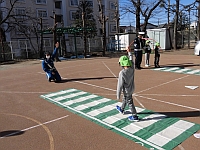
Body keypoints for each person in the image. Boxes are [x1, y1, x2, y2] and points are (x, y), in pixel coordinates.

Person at [116, 47, 139, 121]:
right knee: (125, 98)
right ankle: (122, 109)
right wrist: (129, 52)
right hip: (132, 88)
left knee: (130, 102)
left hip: (127, 90)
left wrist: (118, 94)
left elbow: (119, 85)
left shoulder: (122, 73)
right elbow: (131, 59)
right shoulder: (132, 68)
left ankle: (134, 115)